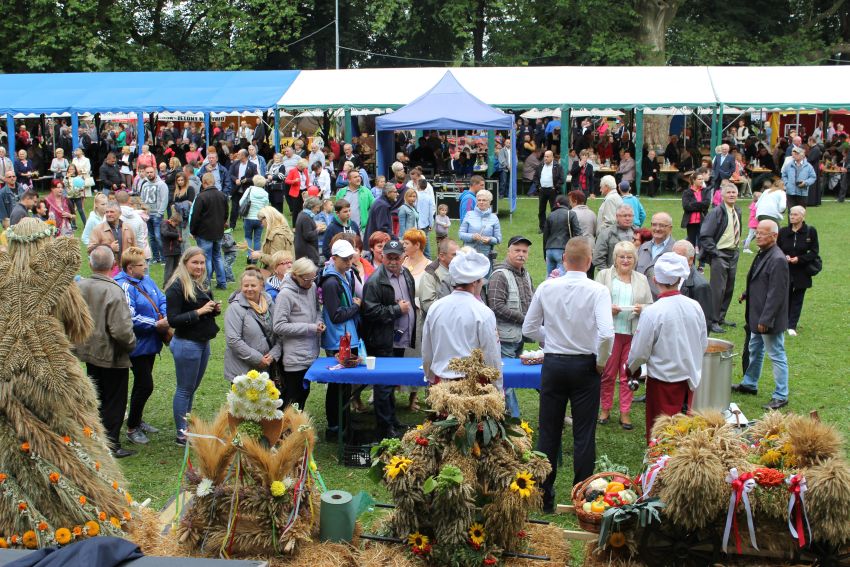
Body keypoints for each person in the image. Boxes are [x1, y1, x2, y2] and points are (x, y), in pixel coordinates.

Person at [522, 238, 614, 512]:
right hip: (585, 364)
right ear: (589, 261)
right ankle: (582, 496)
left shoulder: (547, 287)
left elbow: (529, 328)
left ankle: (544, 495)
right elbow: (606, 334)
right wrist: (601, 362)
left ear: (564, 259)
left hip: (554, 363)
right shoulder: (598, 290)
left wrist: (551, 336)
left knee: (548, 430)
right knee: (584, 432)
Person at [626, 253, 708, 442]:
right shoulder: (695, 306)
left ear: (655, 280)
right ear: (680, 279)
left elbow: (639, 352)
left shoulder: (653, 312)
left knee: (661, 434)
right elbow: (703, 342)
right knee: (683, 434)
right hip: (689, 380)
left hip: (662, 383)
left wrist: (631, 368)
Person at [74, 245, 137, 458]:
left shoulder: (80, 286)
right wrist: (131, 344)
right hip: (112, 354)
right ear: (113, 265)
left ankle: (96, 439)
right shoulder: (113, 290)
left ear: (90, 264)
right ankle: (111, 443)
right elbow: (120, 329)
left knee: (97, 396)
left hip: (88, 351)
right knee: (115, 400)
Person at [732, 220, 791, 410]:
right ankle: (750, 383)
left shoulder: (778, 259)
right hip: (757, 314)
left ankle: (781, 395)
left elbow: (777, 293)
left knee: (776, 354)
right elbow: (761, 280)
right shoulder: (764, 253)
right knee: (755, 348)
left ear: (774, 236)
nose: (758, 236)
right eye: (757, 232)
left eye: (762, 233)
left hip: (768, 318)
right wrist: (747, 293)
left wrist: (766, 319)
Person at [165, 247, 222, 446]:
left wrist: (213, 310)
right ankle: (182, 434)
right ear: (185, 263)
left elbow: (202, 310)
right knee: (184, 390)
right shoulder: (176, 287)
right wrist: (200, 311)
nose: (199, 266)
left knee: (191, 389)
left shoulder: (200, 283)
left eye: (202, 262)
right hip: (187, 344)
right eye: (195, 262)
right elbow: (173, 320)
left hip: (202, 342)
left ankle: (186, 426)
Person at [361, 240, 417, 438]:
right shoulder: (375, 281)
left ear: (403, 257)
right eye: (389, 257)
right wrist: (396, 310)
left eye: (396, 257)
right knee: (384, 385)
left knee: (392, 381)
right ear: (382, 257)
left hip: (400, 339)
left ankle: (392, 421)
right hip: (383, 341)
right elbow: (369, 311)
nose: (393, 261)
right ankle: (384, 427)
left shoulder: (406, 274)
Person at [114, 247, 169, 446]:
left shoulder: (146, 280)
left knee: (141, 384)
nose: (145, 266)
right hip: (136, 346)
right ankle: (132, 428)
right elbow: (129, 317)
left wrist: (164, 314)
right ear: (130, 268)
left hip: (150, 344)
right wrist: (156, 324)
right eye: (141, 264)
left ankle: (137, 419)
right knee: (145, 385)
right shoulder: (123, 286)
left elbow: (161, 298)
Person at [595, 241, 652, 430]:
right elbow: (593, 302)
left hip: (632, 333)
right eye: (622, 257)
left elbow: (651, 305)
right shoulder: (603, 275)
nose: (625, 260)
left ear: (635, 260)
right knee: (608, 373)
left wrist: (642, 308)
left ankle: (625, 412)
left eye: (629, 257)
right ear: (615, 258)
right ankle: (605, 409)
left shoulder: (641, 279)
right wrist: (607, 309)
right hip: (610, 334)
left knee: (629, 373)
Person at [422, 248, 501, 382]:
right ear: (475, 282)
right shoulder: (483, 312)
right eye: (481, 280)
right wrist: (497, 387)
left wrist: (430, 377)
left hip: (441, 382)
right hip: (473, 385)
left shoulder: (436, 307)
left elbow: (427, 350)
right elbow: (492, 354)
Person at [320, 239, 362, 441]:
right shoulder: (330, 282)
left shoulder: (345, 275)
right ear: (334, 258)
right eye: (344, 259)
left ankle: (343, 422)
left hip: (346, 337)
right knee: (337, 386)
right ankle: (334, 426)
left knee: (344, 385)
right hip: (338, 340)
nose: (348, 262)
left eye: (350, 258)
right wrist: (356, 307)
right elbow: (336, 315)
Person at [488, 236, 534, 418]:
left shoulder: (526, 274)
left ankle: (505, 418)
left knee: (510, 380)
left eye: (525, 251)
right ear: (508, 252)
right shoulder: (499, 275)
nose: (521, 254)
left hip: (519, 337)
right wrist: (525, 319)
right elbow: (496, 306)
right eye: (517, 250)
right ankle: (513, 421)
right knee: (505, 382)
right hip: (504, 338)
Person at [273, 258, 324, 410]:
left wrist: (319, 322)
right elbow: (279, 326)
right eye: (307, 279)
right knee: (293, 398)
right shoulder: (285, 295)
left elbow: (317, 310)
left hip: (311, 352)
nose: (311, 282)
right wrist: (310, 328)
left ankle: (297, 423)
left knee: (304, 393)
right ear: (296, 275)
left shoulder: (312, 286)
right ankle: (287, 425)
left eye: (313, 278)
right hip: (294, 357)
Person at [224, 268, 281, 382]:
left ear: (261, 285)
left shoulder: (270, 303)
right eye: (246, 286)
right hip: (242, 372)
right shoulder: (235, 308)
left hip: (268, 368)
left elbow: (280, 332)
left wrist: (273, 354)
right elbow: (233, 340)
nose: (249, 289)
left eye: (253, 285)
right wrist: (258, 359)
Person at [699, 183, 742, 334]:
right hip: (720, 254)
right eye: (728, 192)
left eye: (734, 192)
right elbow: (705, 235)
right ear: (722, 195)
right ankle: (712, 320)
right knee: (718, 289)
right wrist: (715, 252)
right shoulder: (716, 212)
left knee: (729, 287)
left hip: (733, 253)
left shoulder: (737, 211)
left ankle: (721, 316)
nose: (731, 195)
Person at [778, 206, 819, 336]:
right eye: (791, 214)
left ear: (802, 216)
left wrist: (799, 259)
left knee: (798, 298)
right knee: (786, 296)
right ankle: (783, 322)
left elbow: (814, 252)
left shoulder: (810, 231)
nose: (792, 216)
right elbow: (777, 248)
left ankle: (792, 325)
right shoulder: (783, 231)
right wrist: (784, 256)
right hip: (786, 270)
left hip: (802, 270)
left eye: (795, 215)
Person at [189, 173, 229, 290]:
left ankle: (206, 283)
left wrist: (193, 231)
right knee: (218, 257)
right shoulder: (222, 195)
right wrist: (221, 225)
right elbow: (226, 213)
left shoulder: (201, 197)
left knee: (205, 259)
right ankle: (222, 282)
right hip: (218, 232)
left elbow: (195, 216)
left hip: (204, 233)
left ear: (204, 182)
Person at [673, 239, 713, 329]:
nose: (674, 259)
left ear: (690, 260)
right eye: (673, 256)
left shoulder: (701, 286)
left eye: (678, 256)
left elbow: (704, 322)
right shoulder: (672, 276)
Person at [88, 202, 137, 271]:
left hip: (127, 269)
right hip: (108, 270)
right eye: (107, 212)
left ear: (120, 213)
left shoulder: (128, 228)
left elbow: (135, 249)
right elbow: (90, 249)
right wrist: (109, 247)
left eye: (112, 212)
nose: (109, 214)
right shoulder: (98, 229)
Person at [636, 212, 674, 299]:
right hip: (641, 302)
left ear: (670, 228)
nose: (657, 228)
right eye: (654, 225)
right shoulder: (643, 247)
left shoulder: (675, 250)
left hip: (664, 301)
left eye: (662, 225)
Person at [541, 194, 581, 275]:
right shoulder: (571, 214)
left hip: (549, 250)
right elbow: (578, 233)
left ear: (557, 204)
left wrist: (545, 253)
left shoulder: (550, 215)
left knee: (549, 276)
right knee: (561, 275)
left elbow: (545, 236)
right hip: (563, 249)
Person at [138, 166, 169, 264]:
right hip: (147, 215)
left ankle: (164, 257)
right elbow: (142, 199)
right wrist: (143, 211)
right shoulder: (145, 185)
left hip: (157, 215)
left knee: (158, 237)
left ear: (155, 172)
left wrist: (160, 213)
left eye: (151, 172)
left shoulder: (162, 184)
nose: (149, 174)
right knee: (151, 237)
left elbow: (164, 199)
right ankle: (156, 257)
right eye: (147, 172)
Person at [420, 237, 459, 316]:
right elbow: (428, 305)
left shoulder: (461, 270)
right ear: (442, 256)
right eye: (454, 255)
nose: (459, 258)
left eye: (459, 254)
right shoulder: (430, 274)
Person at [249, 206, 294, 272]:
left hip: (278, 273)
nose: (261, 224)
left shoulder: (277, 235)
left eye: (261, 221)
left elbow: (276, 260)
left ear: (267, 218)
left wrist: (259, 256)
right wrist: (262, 252)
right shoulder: (283, 230)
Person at [459, 189, 501, 258]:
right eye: (479, 200)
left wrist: (490, 239)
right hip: (469, 254)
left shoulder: (494, 218)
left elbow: (498, 239)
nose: (481, 202)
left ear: (489, 202)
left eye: (484, 200)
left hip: (486, 255)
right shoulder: (469, 214)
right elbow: (461, 235)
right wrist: (472, 236)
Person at [593, 206, 635, 272]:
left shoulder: (639, 233)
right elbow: (598, 258)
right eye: (624, 216)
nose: (627, 218)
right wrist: (608, 274)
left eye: (630, 216)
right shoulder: (606, 234)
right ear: (617, 217)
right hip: (613, 274)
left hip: (634, 275)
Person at [533, 150, 565, 232]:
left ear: (552, 157)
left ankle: (554, 227)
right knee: (541, 210)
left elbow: (562, 179)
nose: (545, 158)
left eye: (547, 156)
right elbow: (535, 177)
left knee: (554, 210)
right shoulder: (540, 166)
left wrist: (555, 187)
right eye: (545, 156)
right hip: (542, 190)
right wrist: (538, 187)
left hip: (553, 191)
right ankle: (542, 227)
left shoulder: (558, 166)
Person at [681, 172, 710, 249]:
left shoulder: (706, 191)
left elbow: (706, 204)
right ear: (694, 180)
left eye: (702, 179)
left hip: (703, 220)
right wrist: (700, 205)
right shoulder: (686, 192)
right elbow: (686, 206)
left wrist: (693, 204)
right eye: (699, 179)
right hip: (691, 222)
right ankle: (692, 257)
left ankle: (701, 257)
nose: (702, 181)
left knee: (702, 243)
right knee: (691, 244)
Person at [294, 196, 326, 266]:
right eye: (317, 207)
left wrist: (315, 225)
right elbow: (308, 236)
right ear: (312, 207)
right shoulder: (306, 218)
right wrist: (318, 230)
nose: (318, 210)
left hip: (303, 251)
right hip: (307, 253)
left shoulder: (303, 214)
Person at [161, 212, 183, 285]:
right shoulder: (165, 224)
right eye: (176, 224)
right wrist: (177, 236)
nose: (177, 225)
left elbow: (177, 236)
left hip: (176, 250)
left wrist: (180, 240)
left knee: (176, 269)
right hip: (169, 251)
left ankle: (174, 284)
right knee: (169, 269)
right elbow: (165, 233)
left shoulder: (175, 227)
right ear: (172, 220)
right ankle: (166, 284)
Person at [285, 158, 309, 222]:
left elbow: (307, 180)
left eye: (304, 168)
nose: (304, 169)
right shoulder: (293, 171)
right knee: (296, 210)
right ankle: (294, 225)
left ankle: (302, 223)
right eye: (303, 168)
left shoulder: (305, 170)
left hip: (304, 191)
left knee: (304, 208)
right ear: (299, 166)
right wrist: (294, 181)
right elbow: (287, 181)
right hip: (296, 193)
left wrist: (308, 188)